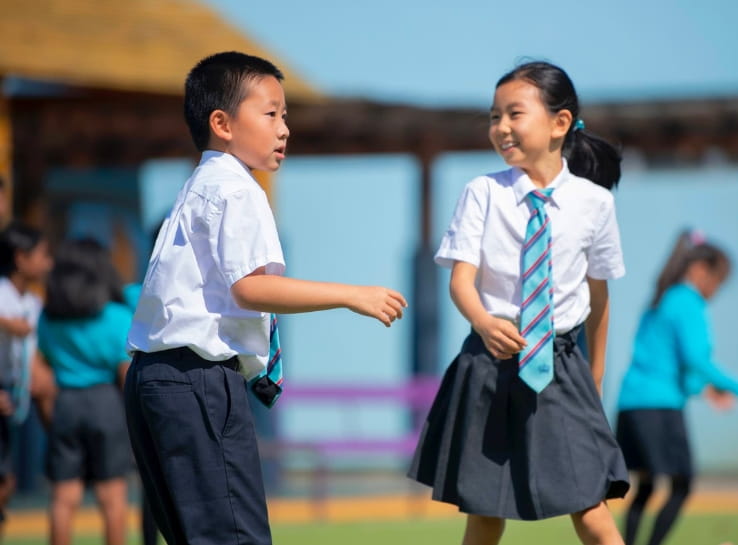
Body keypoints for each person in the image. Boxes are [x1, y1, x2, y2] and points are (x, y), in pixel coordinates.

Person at [124, 51, 407, 545]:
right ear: (222, 123)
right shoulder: (236, 188)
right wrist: (351, 295)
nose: (284, 129)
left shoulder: (197, 186)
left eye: (285, 116)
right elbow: (250, 287)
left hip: (155, 378)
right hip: (199, 383)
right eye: (271, 113)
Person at [408, 61, 629, 545]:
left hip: (563, 371)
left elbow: (599, 296)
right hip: (488, 367)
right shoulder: (482, 192)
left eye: (514, 114)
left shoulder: (596, 204)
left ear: (560, 123)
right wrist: (484, 322)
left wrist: (595, 377)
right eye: (494, 117)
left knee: (591, 509)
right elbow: (461, 281)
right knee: (485, 515)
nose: (501, 128)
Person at [614, 230, 738, 545]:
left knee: (648, 486)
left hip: (633, 403)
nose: (716, 289)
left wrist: (706, 392)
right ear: (699, 271)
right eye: (718, 280)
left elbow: (667, 362)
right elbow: (696, 360)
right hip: (659, 407)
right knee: (682, 485)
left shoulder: (662, 297)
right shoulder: (687, 301)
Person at [38, 239, 133, 545]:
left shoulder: (47, 318)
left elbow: (42, 367)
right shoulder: (117, 316)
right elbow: (126, 374)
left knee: (64, 496)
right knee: (112, 495)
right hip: (106, 403)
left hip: (65, 401)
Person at [0, 222, 52, 530]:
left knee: (8, 481)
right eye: (43, 254)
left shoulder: (33, 302)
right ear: (21, 257)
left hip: (15, 395)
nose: (49, 263)